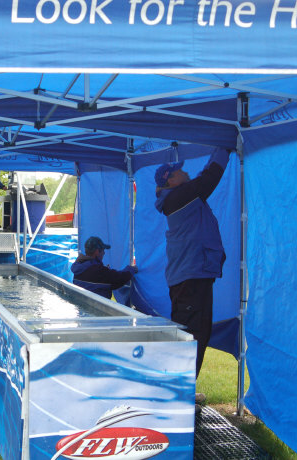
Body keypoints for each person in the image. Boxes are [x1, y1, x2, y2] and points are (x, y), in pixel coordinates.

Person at [154, 149, 230, 408]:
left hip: (193, 277)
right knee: (192, 337)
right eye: (179, 171)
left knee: (195, 334)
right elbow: (208, 180)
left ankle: (182, 392)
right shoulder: (178, 198)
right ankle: (179, 397)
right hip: (190, 279)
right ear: (171, 180)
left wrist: (218, 150)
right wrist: (223, 149)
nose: (185, 172)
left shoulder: (179, 197)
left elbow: (201, 179)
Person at [71, 236, 138, 300]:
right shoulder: (97, 271)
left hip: (83, 303)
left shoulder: (79, 267)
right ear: (97, 252)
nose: (104, 253)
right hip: (95, 306)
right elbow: (119, 279)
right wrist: (132, 269)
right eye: (103, 250)